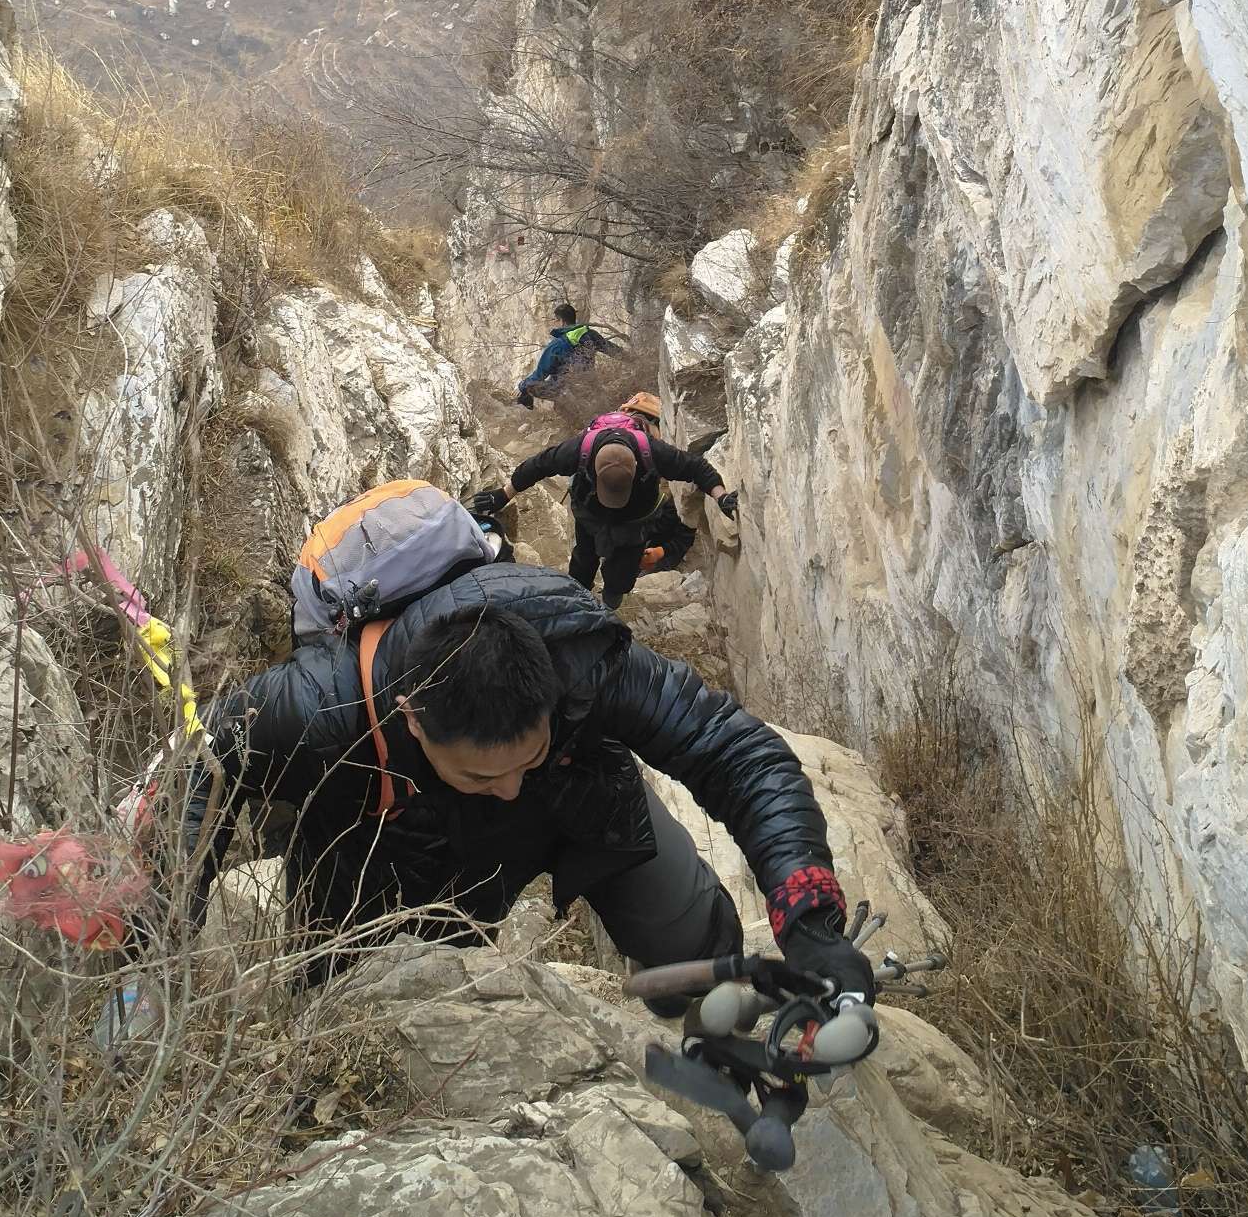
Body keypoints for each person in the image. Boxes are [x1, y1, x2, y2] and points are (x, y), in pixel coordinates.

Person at [168, 508, 872, 1006]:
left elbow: (734, 751)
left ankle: (694, 1011)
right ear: (412, 717)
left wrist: (806, 917)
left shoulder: (583, 659)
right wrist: (160, 935)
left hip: (582, 801)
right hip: (399, 846)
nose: (506, 787)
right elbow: (203, 765)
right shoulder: (317, 707)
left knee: (696, 954)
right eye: (482, 770)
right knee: (374, 1005)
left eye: (523, 758)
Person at [474, 409, 738, 611]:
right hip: (593, 516)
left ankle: (609, 604)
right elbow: (536, 466)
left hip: (633, 522)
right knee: (583, 560)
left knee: (621, 573)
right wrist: (502, 495)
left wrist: (721, 496)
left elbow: (697, 468)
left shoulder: (652, 452)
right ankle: (578, 597)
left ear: (637, 469)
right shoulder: (578, 450)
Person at [516, 302, 621, 409]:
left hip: (566, 391)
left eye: (555, 320)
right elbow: (614, 351)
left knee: (529, 386)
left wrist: (522, 386)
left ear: (561, 321)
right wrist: (633, 359)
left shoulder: (558, 344)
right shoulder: (590, 334)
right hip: (591, 386)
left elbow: (540, 374)